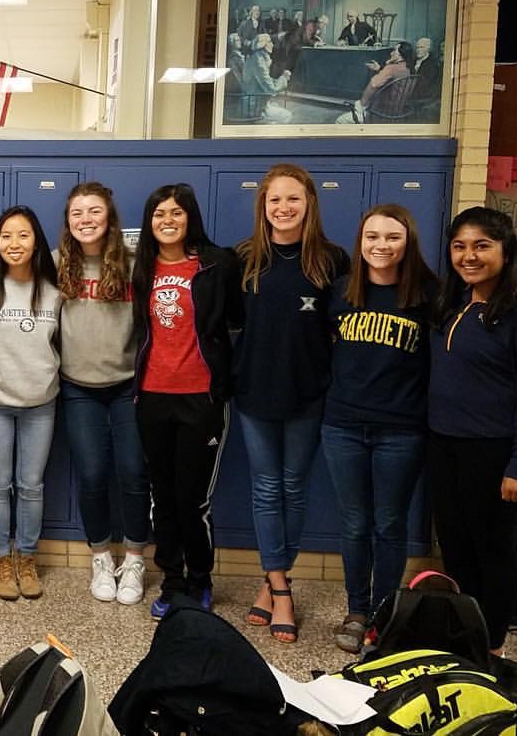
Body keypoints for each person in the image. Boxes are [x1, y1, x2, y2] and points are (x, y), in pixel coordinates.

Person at [233, 164, 349, 644]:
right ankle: (281, 588)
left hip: (307, 395)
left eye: (293, 199)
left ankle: (271, 582)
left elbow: (344, 331)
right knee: (265, 490)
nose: (283, 208)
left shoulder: (332, 261)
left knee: (293, 489)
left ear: (309, 203)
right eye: (275, 200)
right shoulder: (244, 259)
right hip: (255, 395)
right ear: (263, 205)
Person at [321, 204, 437, 653]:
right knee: (353, 523)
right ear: (360, 241)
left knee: (390, 524)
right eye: (372, 237)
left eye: (392, 237)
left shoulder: (430, 296)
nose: (381, 246)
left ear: (408, 242)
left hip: (402, 431)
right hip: (344, 426)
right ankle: (357, 609)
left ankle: (386, 614)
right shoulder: (339, 293)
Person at [131, 184, 241, 620]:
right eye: (159, 214)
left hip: (202, 397)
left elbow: (235, 323)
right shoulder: (143, 268)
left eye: (176, 213)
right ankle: (172, 580)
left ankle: (200, 581)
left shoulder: (217, 264)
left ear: (190, 217)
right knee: (163, 494)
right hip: (153, 397)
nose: (167, 221)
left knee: (192, 498)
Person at [429, 207, 517, 656]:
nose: (469, 256)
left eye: (482, 246)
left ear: (507, 252)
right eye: (459, 246)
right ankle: (468, 634)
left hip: (492, 450)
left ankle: (493, 646)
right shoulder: (454, 302)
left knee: (493, 550)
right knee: (456, 546)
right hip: (443, 445)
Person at [54, 182, 150, 606]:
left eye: (94, 211)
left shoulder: (132, 265)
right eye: (77, 213)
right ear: (68, 221)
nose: (86, 220)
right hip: (78, 387)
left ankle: (133, 559)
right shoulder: (56, 265)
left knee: (133, 473)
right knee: (92, 475)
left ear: (109, 218)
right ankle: (100, 556)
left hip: (128, 385)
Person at [0, 206, 61, 601]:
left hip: (41, 402)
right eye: (6, 236)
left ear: (36, 240)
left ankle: (26, 556)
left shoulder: (54, 290)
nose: (15, 243)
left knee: (31, 485)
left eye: (23, 235)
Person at [242, 33, 291, 123]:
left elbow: (266, 81)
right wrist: (283, 78)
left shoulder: (259, 58)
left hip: (256, 102)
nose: (272, 44)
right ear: (263, 45)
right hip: (254, 108)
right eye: (269, 42)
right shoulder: (259, 61)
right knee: (287, 115)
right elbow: (271, 89)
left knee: (277, 113)